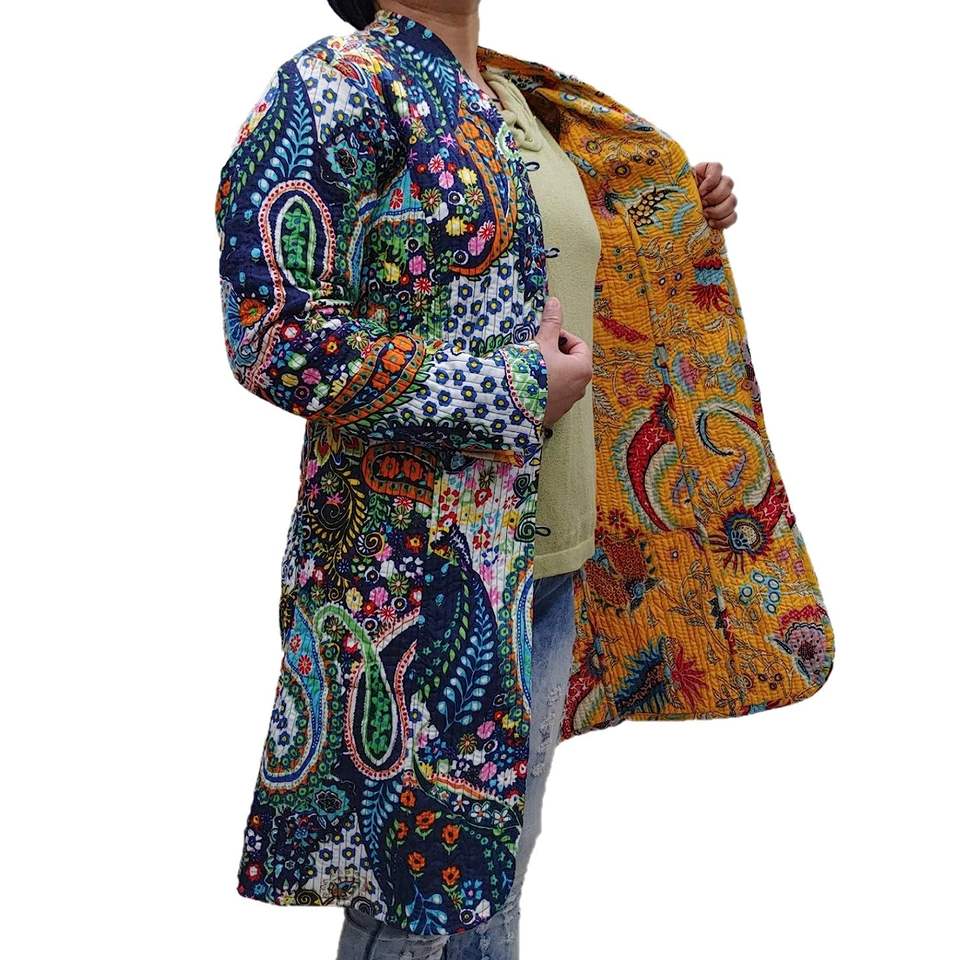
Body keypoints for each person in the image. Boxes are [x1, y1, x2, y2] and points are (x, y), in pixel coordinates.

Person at [215, 3, 831, 959]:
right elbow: (276, 337)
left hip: (552, 562)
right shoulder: (335, 88)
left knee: (495, 873)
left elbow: (560, 266)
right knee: (412, 899)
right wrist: (509, 388)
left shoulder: (520, 100)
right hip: (419, 582)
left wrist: (671, 213)